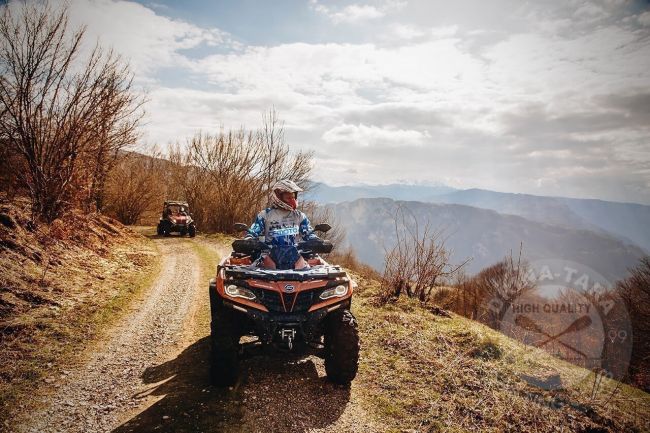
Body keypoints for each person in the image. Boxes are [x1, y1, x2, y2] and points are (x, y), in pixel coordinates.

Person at [245, 179, 318, 270]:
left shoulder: (300, 216)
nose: (292, 200)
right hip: (270, 255)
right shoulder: (265, 215)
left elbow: (308, 233)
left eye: (293, 197)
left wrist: (315, 240)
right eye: (288, 197)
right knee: (254, 271)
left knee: (308, 272)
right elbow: (254, 230)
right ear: (278, 196)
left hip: (295, 255)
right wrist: (249, 238)